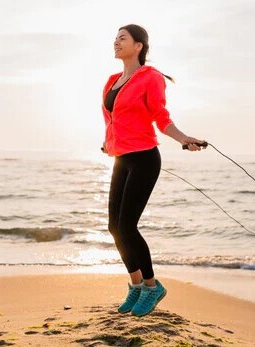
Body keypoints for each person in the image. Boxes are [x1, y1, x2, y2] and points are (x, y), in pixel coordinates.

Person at [101, 24, 206, 317]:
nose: (116, 42)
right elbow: (112, 120)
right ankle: (136, 287)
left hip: (145, 158)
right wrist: (107, 144)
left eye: (123, 38)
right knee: (114, 226)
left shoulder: (150, 77)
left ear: (139, 46)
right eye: (115, 38)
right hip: (121, 157)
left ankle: (152, 286)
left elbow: (160, 116)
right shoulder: (111, 81)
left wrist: (184, 139)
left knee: (127, 226)